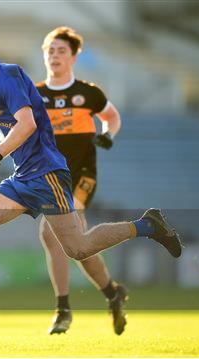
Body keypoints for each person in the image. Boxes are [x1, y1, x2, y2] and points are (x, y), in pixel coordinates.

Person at [0, 20, 182, 307]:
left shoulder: (8, 75)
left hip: (46, 174)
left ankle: (148, 225)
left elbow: (27, 124)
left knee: (77, 248)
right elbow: (11, 130)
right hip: (23, 177)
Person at [36, 26, 127, 335]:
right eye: (50, 50)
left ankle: (62, 309)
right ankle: (113, 293)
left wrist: (107, 136)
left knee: (51, 233)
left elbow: (112, 117)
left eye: (61, 51)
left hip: (82, 178)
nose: (55, 56)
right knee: (79, 246)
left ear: (74, 56)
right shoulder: (35, 96)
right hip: (50, 179)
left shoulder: (89, 93)